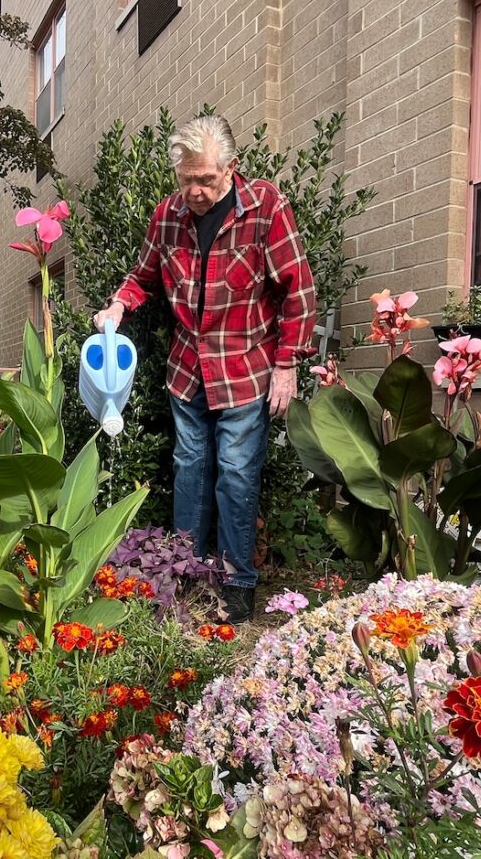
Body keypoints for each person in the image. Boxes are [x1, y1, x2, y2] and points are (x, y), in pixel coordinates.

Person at [93, 115, 316, 624]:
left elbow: (297, 290)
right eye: (186, 178)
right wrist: (118, 307)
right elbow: (143, 275)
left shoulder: (265, 207)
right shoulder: (167, 215)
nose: (194, 190)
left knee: (237, 475)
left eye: (206, 180)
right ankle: (185, 573)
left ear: (231, 169)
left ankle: (237, 582)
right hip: (188, 370)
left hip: (243, 367)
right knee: (190, 471)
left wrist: (287, 365)